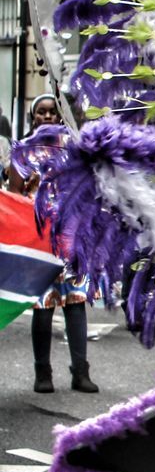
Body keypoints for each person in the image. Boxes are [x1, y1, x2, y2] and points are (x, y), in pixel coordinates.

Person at [10, 94, 98, 394]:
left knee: (76, 303)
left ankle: (80, 371)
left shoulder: (74, 152)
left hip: (72, 240)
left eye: (52, 113)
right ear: (33, 118)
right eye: (41, 113)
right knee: (43, 307)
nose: (47, 117)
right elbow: (14, 199)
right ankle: (42, 372)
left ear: (60, 117)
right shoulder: (21, 154)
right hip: (38, 241)